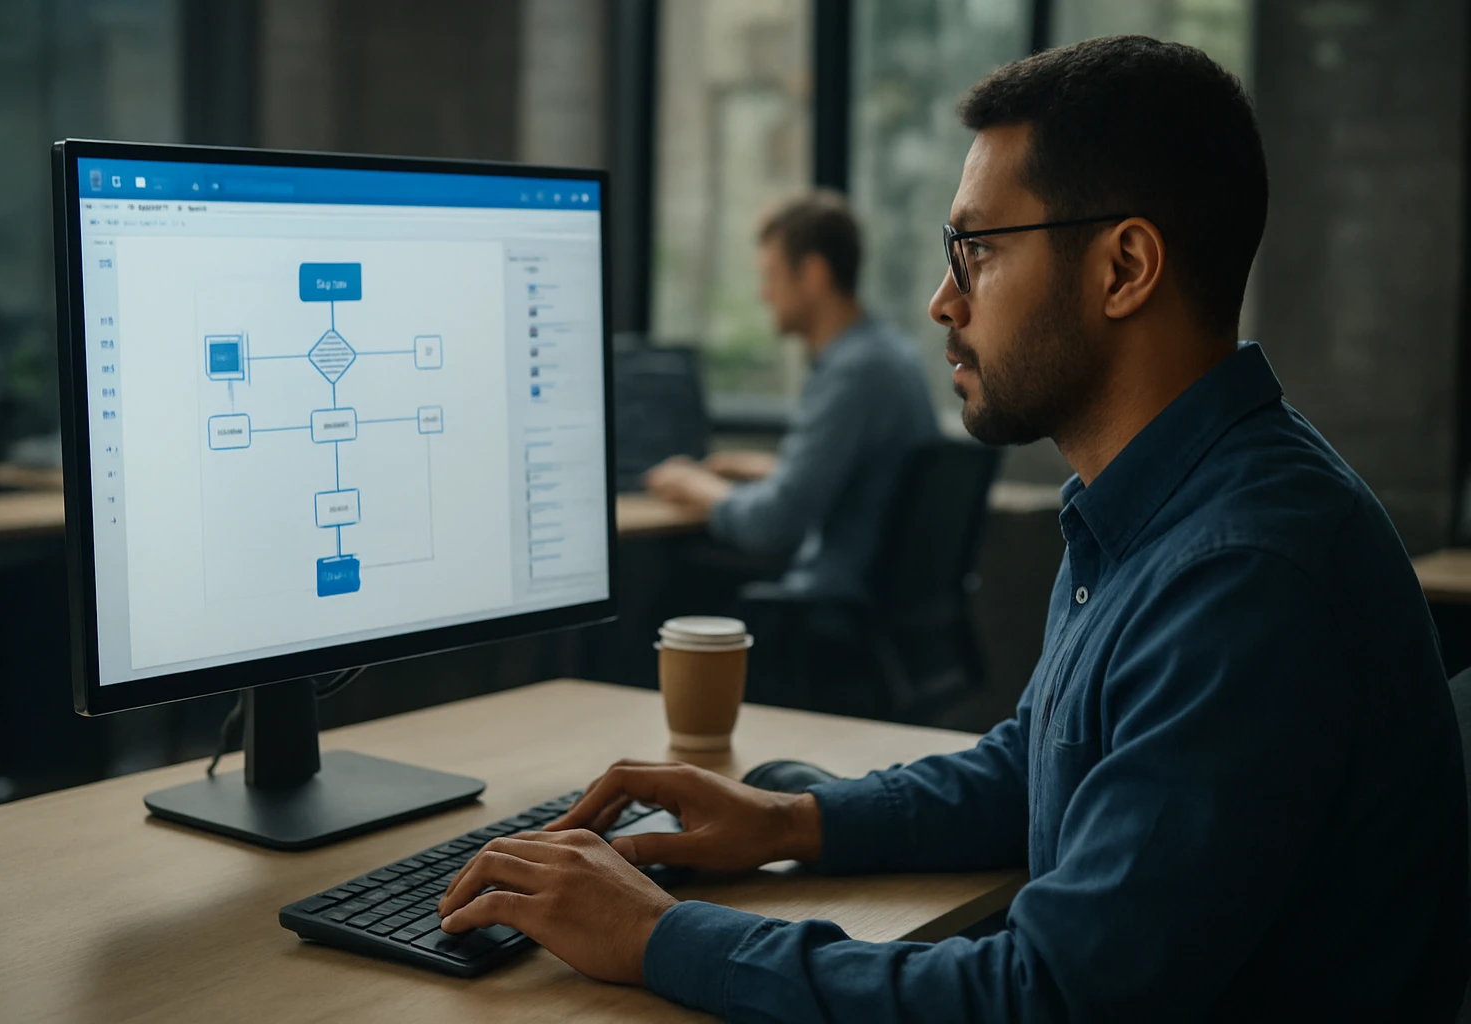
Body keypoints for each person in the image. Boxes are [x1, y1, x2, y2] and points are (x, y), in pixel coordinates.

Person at [436, 35, 1471, 1021]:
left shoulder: (1247, 574)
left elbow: (1046, 1000)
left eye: (975, 250)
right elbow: (1039, 762)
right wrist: (793, 821)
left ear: (1124, 268)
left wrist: (662, 936)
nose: (941, 301)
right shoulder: (1168, 503)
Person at [645, 192, 938, 613]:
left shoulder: (853, 373)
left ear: (814, 274)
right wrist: (774, 470)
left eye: (771, 276)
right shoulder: (892, 355)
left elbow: (773, 526)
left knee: (661, 586)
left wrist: (697, 486)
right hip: (885, 602)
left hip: (834, 597)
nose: (764, 294)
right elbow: (866, 478)